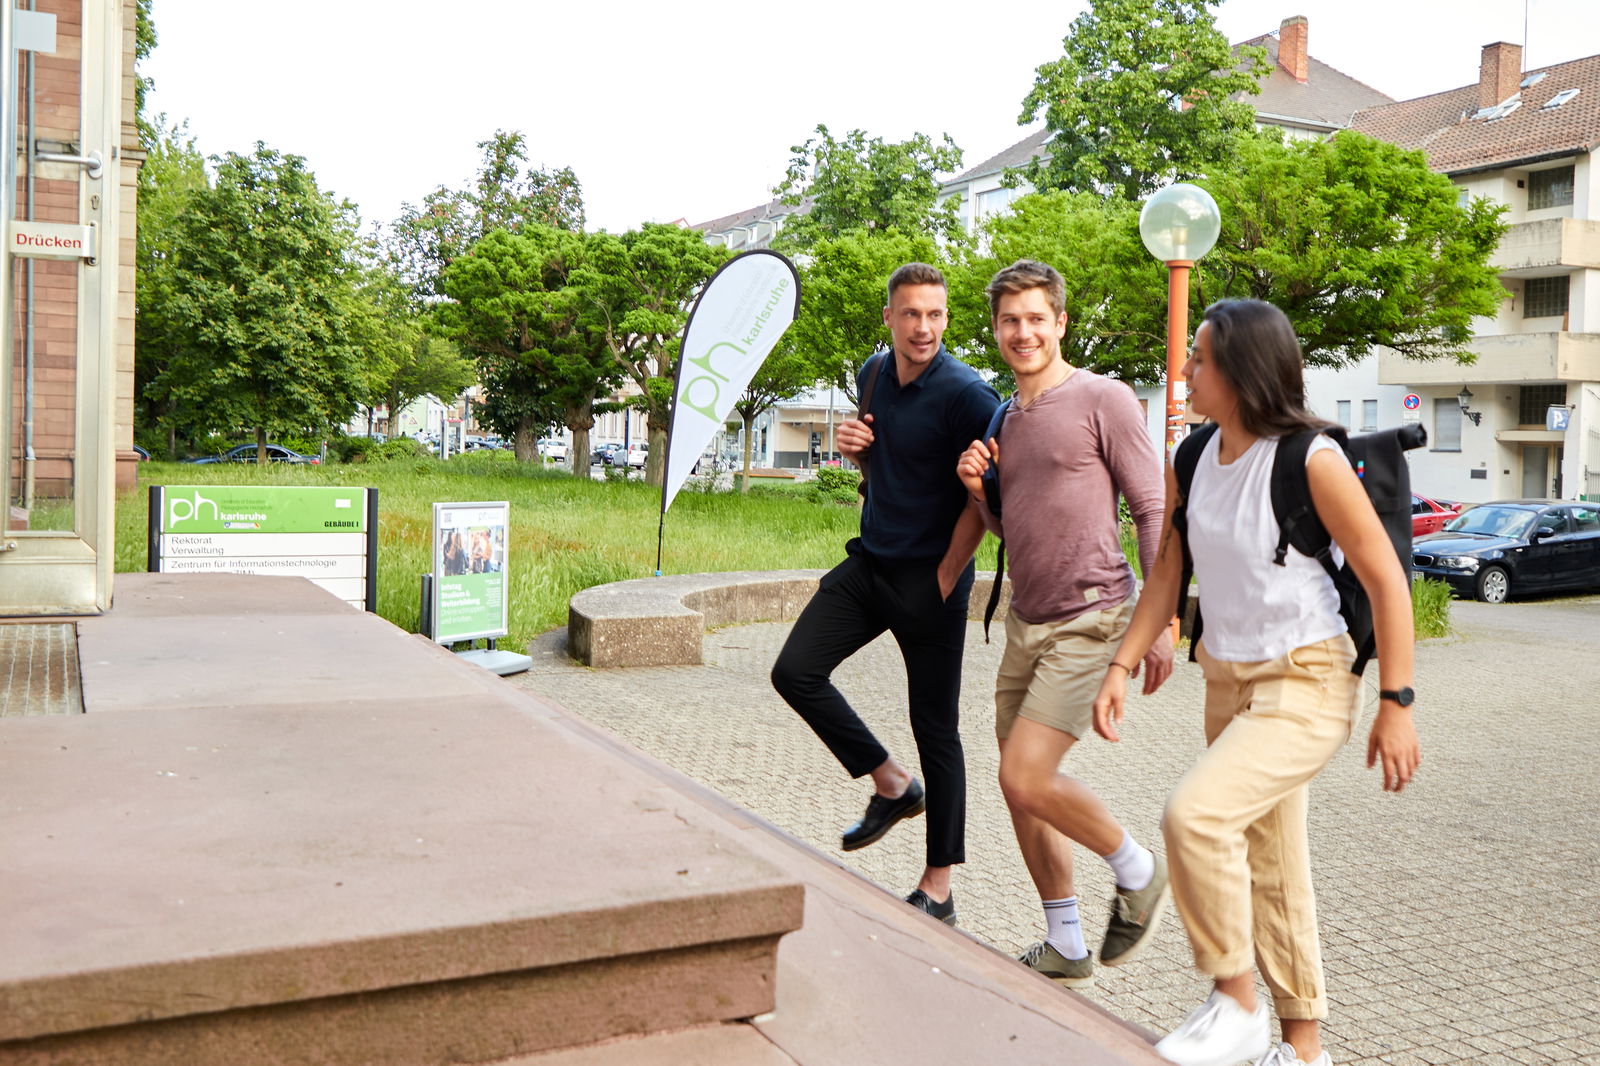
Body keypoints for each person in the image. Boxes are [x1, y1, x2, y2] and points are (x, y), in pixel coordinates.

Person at [1092, 299, 1421, 1066]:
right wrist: (1122, 663)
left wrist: (1396, 703)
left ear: (1239, 371)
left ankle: (1235, 1002)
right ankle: (1304, 1052)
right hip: (1227, 681)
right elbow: (1168, 569)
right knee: (1274, 867)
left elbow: (1386, 580)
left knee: (1195, 819)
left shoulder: (1311, 460)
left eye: (1198, 360)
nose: (1185, 370)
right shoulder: (1192, 457)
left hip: (1306, 682)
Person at [953, 260, 1173, 989]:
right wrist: (976, 491)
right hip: (1026, 622)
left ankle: (1138, 870)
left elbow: (1151, 510)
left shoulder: (1102, 398)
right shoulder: (1004, 419)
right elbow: (1008, 527)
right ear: (996, 329)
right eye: (1010, 321)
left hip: (1093, 615)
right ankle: (1066, 941)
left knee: (1026, 772)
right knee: (1019, 786)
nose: (1024, 332)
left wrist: (1161, 618)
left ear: (1061, 322)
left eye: (1036, 318)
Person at [771, 262, 1000, 925]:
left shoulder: (969, 396)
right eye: (910, 314)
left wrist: (948, 575)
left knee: (938, 730)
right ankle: (892, 784)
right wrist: (856, 451)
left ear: (947, 319)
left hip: (933, 579)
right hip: (871, 564)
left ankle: (939, 887)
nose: (922, 326)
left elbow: (985, 499)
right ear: (890, 318)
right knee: (795, 671)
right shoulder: (872, 373)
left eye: (934, 314)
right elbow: (884, 467)